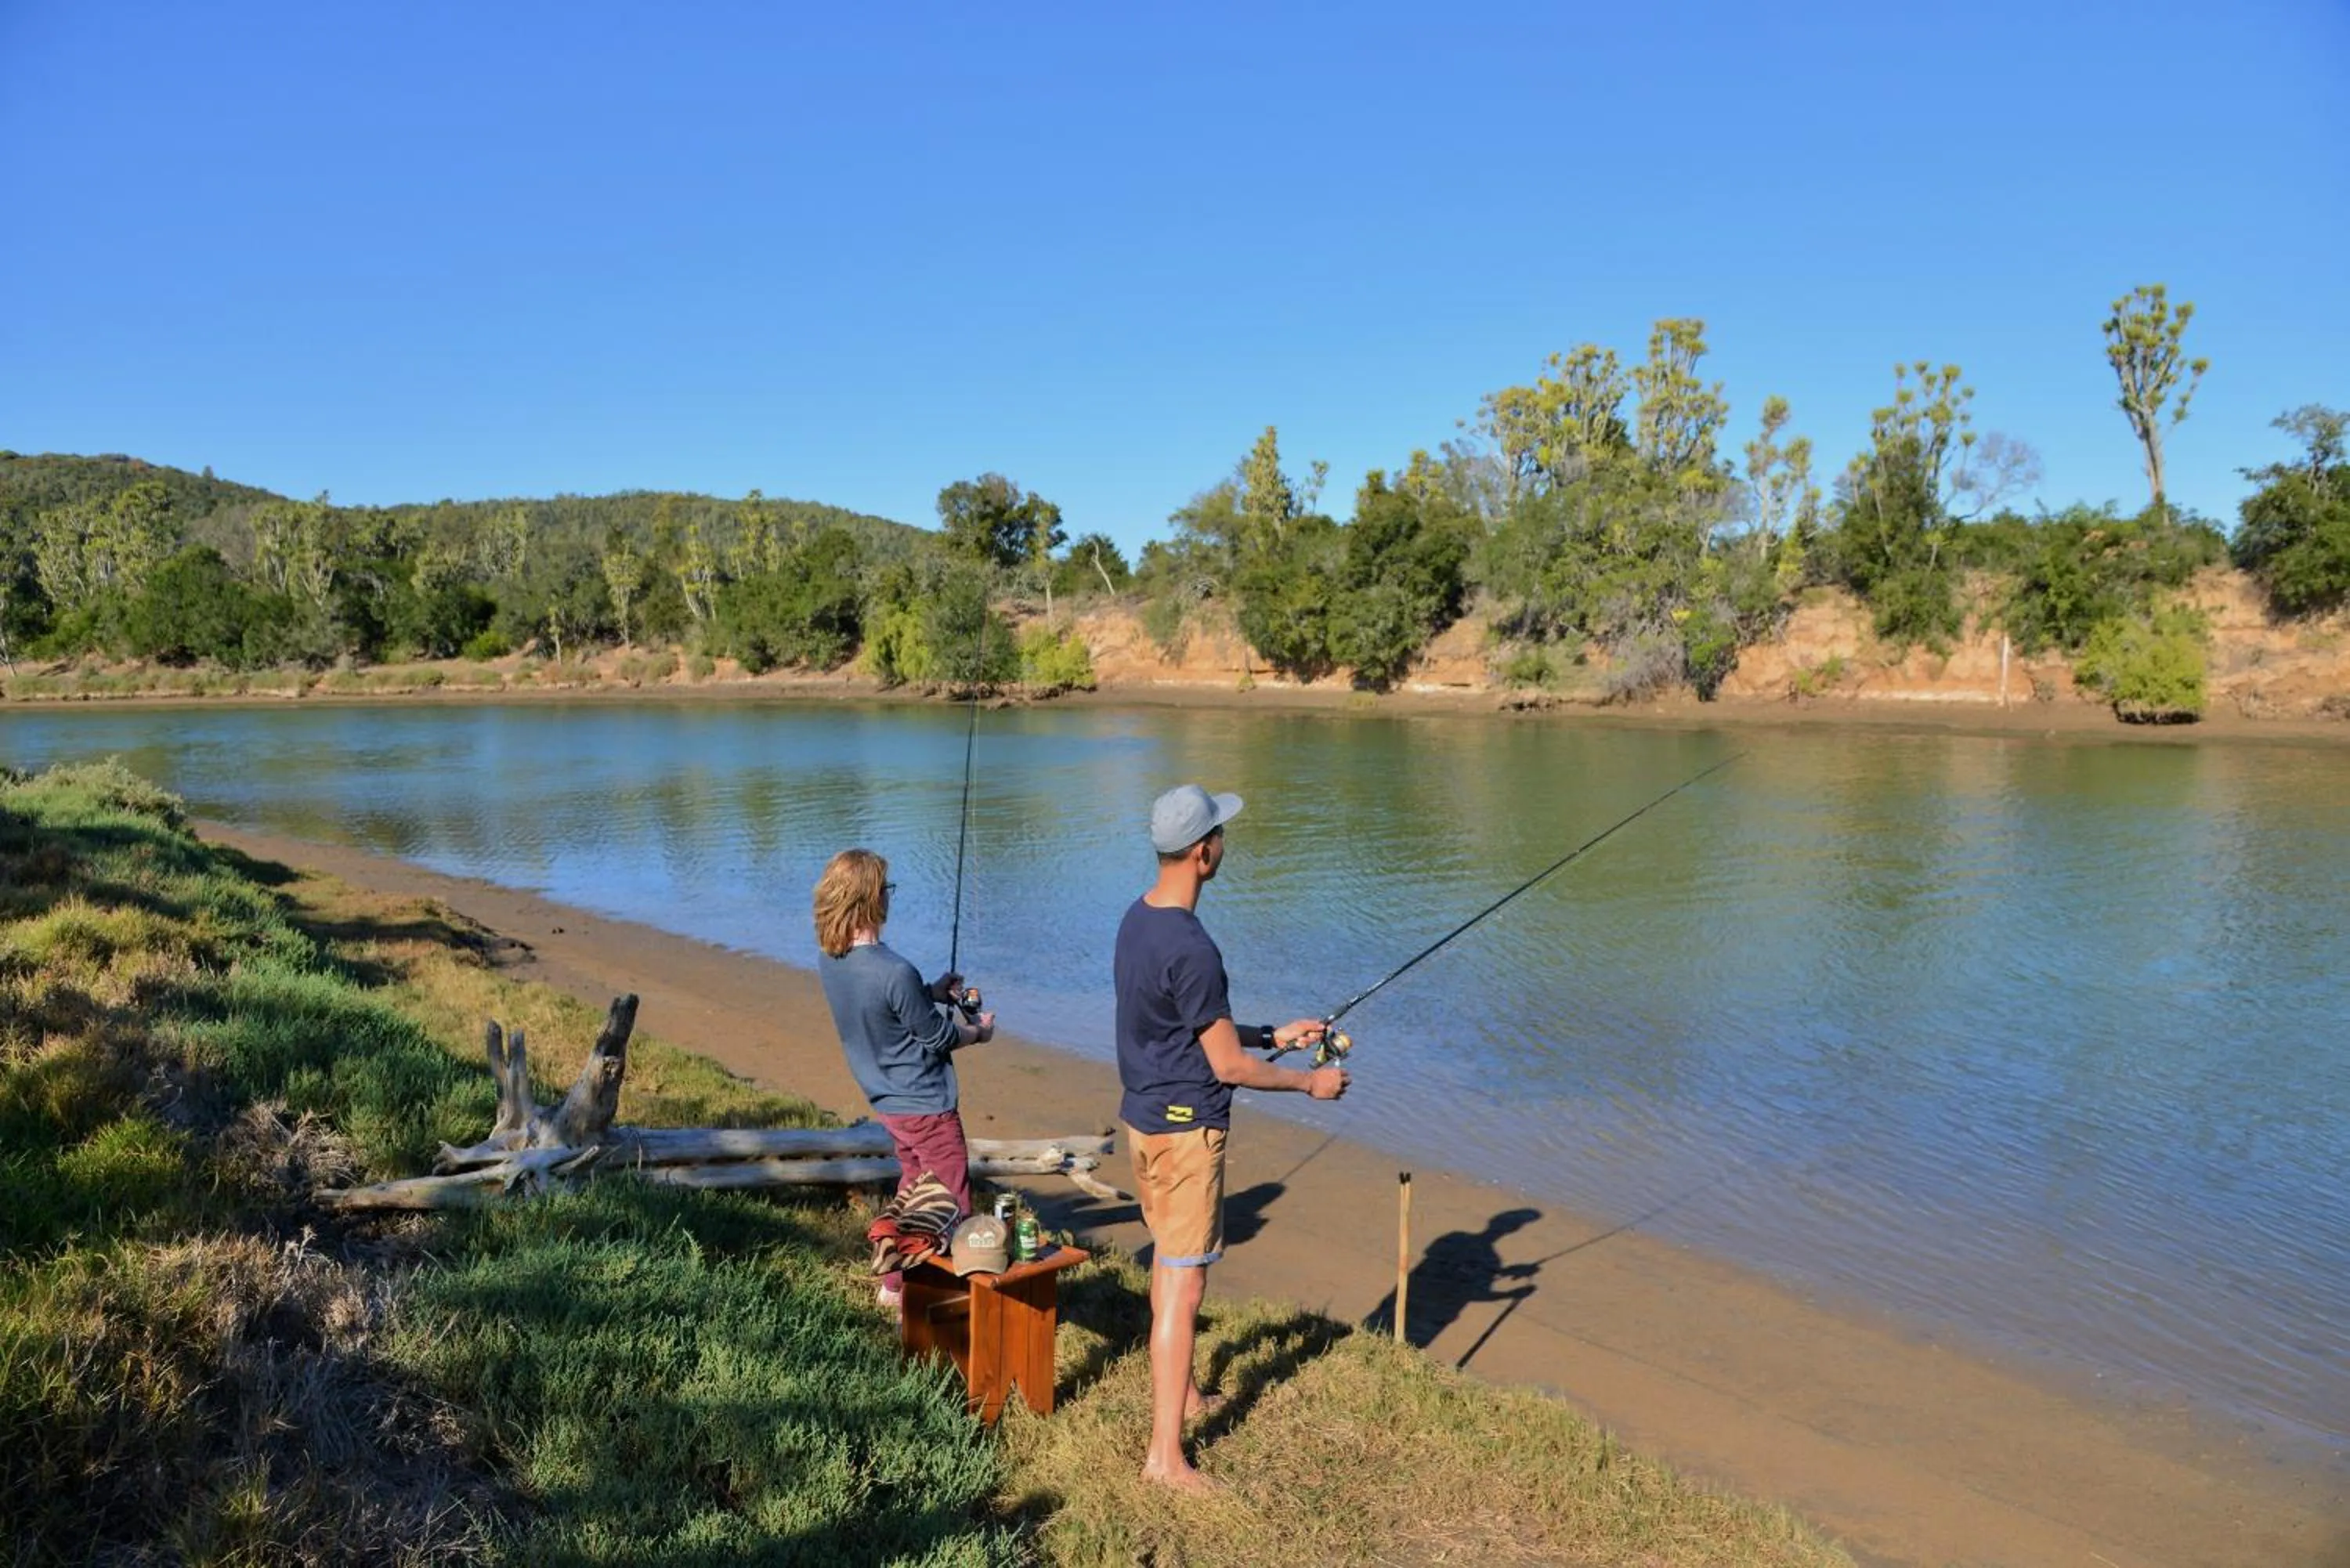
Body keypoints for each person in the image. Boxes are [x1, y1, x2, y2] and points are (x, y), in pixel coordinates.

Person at [1114, 783, 1349, 1494]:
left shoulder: (1139, 920)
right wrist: (1312, 1084)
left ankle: (1183, 1395)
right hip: (1187, 1135)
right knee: (1184, 1287)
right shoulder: (1194, 947)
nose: (1225, 842)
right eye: (1219, 833)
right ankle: (1165, 1458)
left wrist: (1275, 1034)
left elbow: (1182, 1026)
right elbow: (1226, 1066)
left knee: (1171, 1265)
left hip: (1145, 1122)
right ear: (1201, 853)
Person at [813, 847, 994, 1309]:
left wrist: (929, 992)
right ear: (872, 899)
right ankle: (948, 1302)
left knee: (914, 1190)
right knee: (950, 1203)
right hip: (926, 1104)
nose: (890, 897)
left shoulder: (832, 961)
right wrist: (978, 1032)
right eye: (886, 889)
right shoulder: (894, 970)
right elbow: (936, 1036)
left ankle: (894, 1287)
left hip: (888, 1101)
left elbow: (885, 1009)